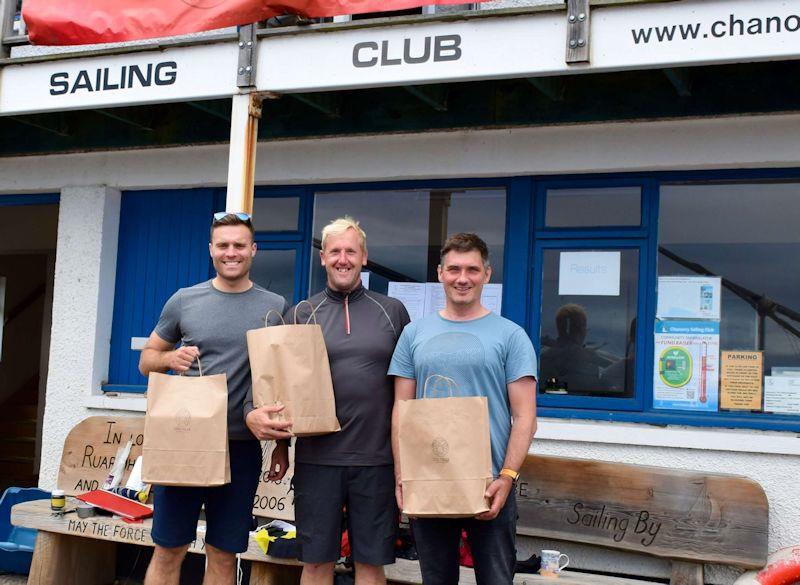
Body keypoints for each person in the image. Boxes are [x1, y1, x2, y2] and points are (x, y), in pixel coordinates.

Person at [248, 217, 409, 585]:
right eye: (334, 251)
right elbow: (285, 388)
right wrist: (279, 446)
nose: (342, 259)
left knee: (370, 563)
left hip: (377, 460)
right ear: (323, 258)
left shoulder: (393, 311)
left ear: (364, 257)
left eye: (350, 251)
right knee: (316, 563)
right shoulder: (303, 312)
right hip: (318, 459)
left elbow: (407, 387)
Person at [139, 212, 292, 585]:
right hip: (184, 443)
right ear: (211, 250)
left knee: (224, 554)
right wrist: (169, 358)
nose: (231, 252)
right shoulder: (184, 300)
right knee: (168, 548)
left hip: (240, 448)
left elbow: (278, 381)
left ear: (253, 250)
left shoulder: (274, 306)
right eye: (223, 245)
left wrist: (282, 445)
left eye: (239, 245)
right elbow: (147, 360)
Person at [389, 232, 538, 585]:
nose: (462, 278)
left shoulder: (511, 335)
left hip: (489, 483)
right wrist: (401, 474)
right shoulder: (413, 334)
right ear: (440, 273)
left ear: (487, 274)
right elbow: (401, 409)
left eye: (472, 270)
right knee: (436, 579)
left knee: (495, 579)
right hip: (429, 478)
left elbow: (525, 417)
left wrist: (507, 477)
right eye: (454, 269)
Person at [539, 304, 609, 393]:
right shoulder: (589, 358)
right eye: (583, 327)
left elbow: (547, 388)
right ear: (581, 330)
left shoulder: (544, 357)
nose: (584, 331)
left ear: (559, 328)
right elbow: (594, 390)